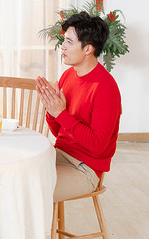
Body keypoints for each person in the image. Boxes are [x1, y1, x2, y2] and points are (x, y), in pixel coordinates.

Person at [36, 11, 121, 202]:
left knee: (32, 191)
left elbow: (97, 146)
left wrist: (61, 113)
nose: (62, 47)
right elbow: (60, 132)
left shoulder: (105, 88)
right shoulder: (68, 76)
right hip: (60, 154)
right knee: (14, 177)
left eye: (69, 42)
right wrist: (52, 111)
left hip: (85, 168)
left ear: (88, 49)